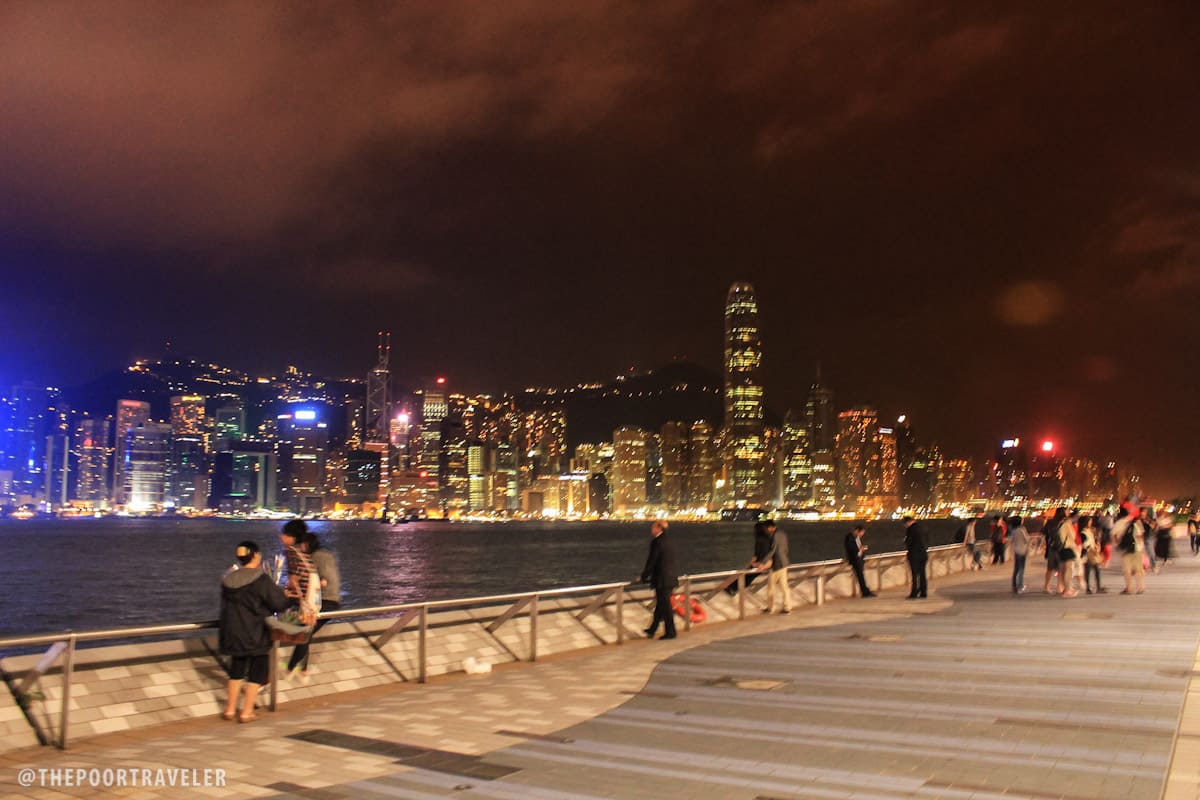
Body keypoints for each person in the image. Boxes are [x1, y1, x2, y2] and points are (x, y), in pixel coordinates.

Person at [220, 540, 290, 723]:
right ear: (256, 556)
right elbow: (278, 604)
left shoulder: (228, 579)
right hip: (255, 632)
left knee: (236, 670)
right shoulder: (260, 579)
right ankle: (246, 711)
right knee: (257, 671)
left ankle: (229, 710)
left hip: (232, 632)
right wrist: (289, 598)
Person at [285, 531, 342, 682]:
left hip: (322, 602)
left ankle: (291, 667)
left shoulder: (313, 558)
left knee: (304, 632)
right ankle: (302, 669)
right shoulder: (328, 554)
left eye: (302, 545)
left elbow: (320, 581)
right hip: (335, 601)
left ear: (306, 545)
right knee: (307, 631)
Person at [640, 520, 679, 639]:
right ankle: (652, 629)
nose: (651, 529)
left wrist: (644, 576)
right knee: (661, 605)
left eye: (653, 527)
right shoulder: (671, 541)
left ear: (659, 528)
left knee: (665, 606)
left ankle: (671, 632)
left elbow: (652, 561)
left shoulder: (657, 542)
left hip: (662, 579)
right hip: (670, 577)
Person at [761, 521, 793, 614]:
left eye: (766, 529)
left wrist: (763, 562)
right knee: (784, 587)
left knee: (771, 587)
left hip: (777, 565)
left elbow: (772, 551)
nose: (766, 531)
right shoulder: (783, 534)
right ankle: (787, 607)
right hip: (784, 563)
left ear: (770, 527)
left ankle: (770, 608)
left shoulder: (774, 536)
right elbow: (786, 549)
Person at [280, 519, 315, 602]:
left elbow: (293, 580)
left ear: (291, 536)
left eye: (284, 534)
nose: (281, 537)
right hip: (311, 597)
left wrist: (283, 591)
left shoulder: (291, 552)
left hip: (299, 599)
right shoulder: (304, 550)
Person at [1114, 507, 1146, 594]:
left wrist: (1119, 545)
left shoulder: (1119, 523)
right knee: (1138, 569)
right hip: (1137, 548)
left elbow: (1115, 537)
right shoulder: (1135, 522)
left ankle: (1129, 588)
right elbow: (1141, 536)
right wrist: (1141, 546)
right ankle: (1140, 587)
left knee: (1127, 569)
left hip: (1125, 550)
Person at [844, 524, 875, 597]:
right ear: (857, 531)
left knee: (861, 576)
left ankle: (865, 590)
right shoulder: (850, 537)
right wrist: (860, 549)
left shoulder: (857, 538)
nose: (862, 534)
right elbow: (850, 548)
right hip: (855, 559)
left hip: (859, 559)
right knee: (860, 576)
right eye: (862, 533)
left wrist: (861, 549)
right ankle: (865, 592)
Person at [903, 517, 928, 599]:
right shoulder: (922, 527)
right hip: (923, 554)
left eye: (905, 524)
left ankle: (914, 593)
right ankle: (923, 592)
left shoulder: (910, 530)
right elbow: (927, 539)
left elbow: (908, 542)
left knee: (914, 575)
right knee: (922, 574)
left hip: (914, 555)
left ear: (907, 523)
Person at [1043, 507, 1065, 595]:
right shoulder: (1064, 523)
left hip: (1051, 547)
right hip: (1061, 547)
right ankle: (1059, 587)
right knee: (1060, 568)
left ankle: (1046, 586)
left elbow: (1044, 532)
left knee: (1050, 568)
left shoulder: (1050, 522)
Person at [1081, 516, 1105, 594]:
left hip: (1093, 552)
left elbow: (1093, 540)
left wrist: (1096, 546)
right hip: (1088, 553)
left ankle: (1097, 587)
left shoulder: (1090, 530)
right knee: (1088, 570)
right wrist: (1091, 547)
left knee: (1096, 569)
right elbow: (1084, 543)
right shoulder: (1083, 532)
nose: (1090, 523)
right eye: (1089, 521)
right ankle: (1088, 587)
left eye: (1091, 521)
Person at [1009, 516, 1029, 594]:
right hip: (1022, 551)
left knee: (1016, 569)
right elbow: (1027, 539)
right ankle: (1020, 586)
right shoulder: (1022, 529)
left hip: (1016, 551)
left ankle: (1014, 586)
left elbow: (1012, 540)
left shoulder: (1013, 530)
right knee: (1021, 570)